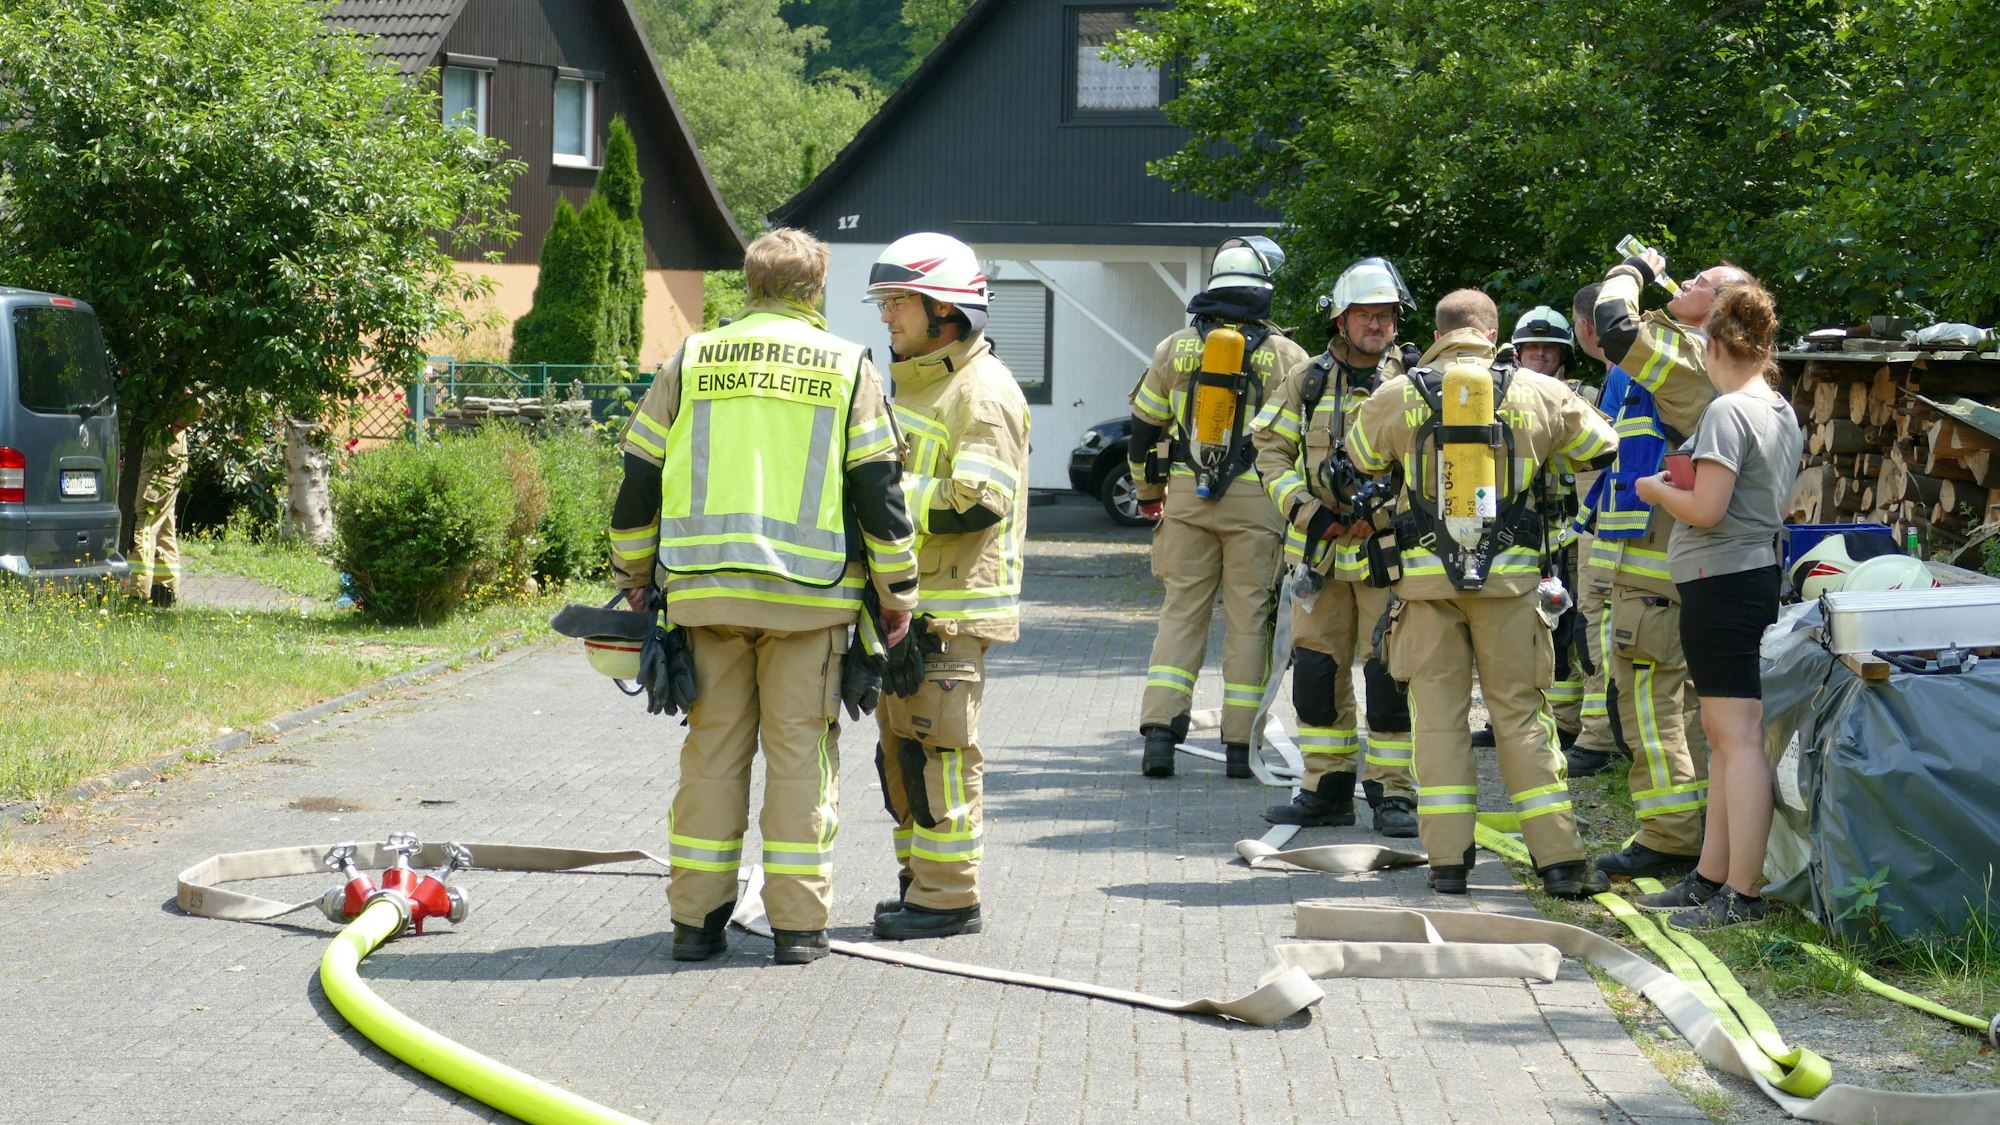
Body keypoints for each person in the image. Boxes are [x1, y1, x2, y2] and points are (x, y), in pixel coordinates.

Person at [606, 228, 919, 966]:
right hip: (809, 604)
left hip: (705, 597)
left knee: (712, 752)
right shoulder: (847, 366)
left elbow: (638, 473)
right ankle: (798, 930)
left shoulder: (693, 357)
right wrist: (897, 591)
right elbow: (880, 489)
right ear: (814, 290)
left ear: (749, 285)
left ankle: (694, 924)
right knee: (799, 755)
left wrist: (633, 576)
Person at [1348, 289, 1619, 898]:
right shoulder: (1541, 391)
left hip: (1423, 589)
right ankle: (1560, 863)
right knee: (1522, 717)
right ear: (1494, 334)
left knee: (1438, 724)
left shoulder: (1396, 395)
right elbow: (1603, 447)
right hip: (1512, 585)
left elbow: (1360, 460)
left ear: (1438, 332)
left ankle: (1446, 865)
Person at [864, 232, 1031, 941]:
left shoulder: (981, 392)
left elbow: (977, 501)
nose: (886, 315)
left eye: (900, 301)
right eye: (887, 301)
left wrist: (881, 491)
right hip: (908, 607)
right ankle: (918, 886)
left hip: (953, 614)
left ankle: (949, 898)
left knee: (942, 758)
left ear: (947, 311)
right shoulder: (912, 383)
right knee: (899, 757)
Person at [1632, 277, 1801, 929]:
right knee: (1729, 738)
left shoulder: (1729, 411)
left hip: (1724, 582)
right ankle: (1710, 877)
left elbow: (1707, 507)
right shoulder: (1778, 407)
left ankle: (1742, 892)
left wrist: (1656, 487)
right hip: (1745, 577)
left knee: (1737, 741)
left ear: (1712, 345)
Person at [1587, 252, 1747, 881]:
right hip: (1660, 561)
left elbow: (1614, 326)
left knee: (1654, 706)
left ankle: (1671, 835)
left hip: (1659, 568)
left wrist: (1629, 269)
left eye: (1701, 283)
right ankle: (1692, 828)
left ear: (1720, 310)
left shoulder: (1689, 364)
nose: (1685, 283)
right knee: (1680, 707)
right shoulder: (1702, 361)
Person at [1129, 236, 1309, 780]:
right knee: (1249, 619)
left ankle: (1160, 737)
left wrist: (1147, 494)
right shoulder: (1288, 356)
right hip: (1258, 501)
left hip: (1186, 494)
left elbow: (1143, 428)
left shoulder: (1174, 348)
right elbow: (1300, 439)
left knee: (1181, 612)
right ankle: (1238, 747)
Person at [1252, 256, 1419, 836]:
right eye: (1366, 315)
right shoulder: (1307, 379)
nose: (1378, 325)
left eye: (1387, 316)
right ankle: (1326, 789)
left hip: (1387, 553)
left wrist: (1389, 516)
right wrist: (1309, 511)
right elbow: (1269, 451)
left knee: (1390, 675)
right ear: (1340, 320)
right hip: (1319, 553)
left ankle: (1393, 795)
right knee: (1318, 675)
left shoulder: (1416, 381)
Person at [133, 421, 190, 607]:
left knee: (144, 523)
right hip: (167, 450)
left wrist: (174, 425)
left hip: (162, 455)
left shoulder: (173, 396)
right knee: (165, 526)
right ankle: (164, 590)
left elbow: (196, 404)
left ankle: (136, 591)